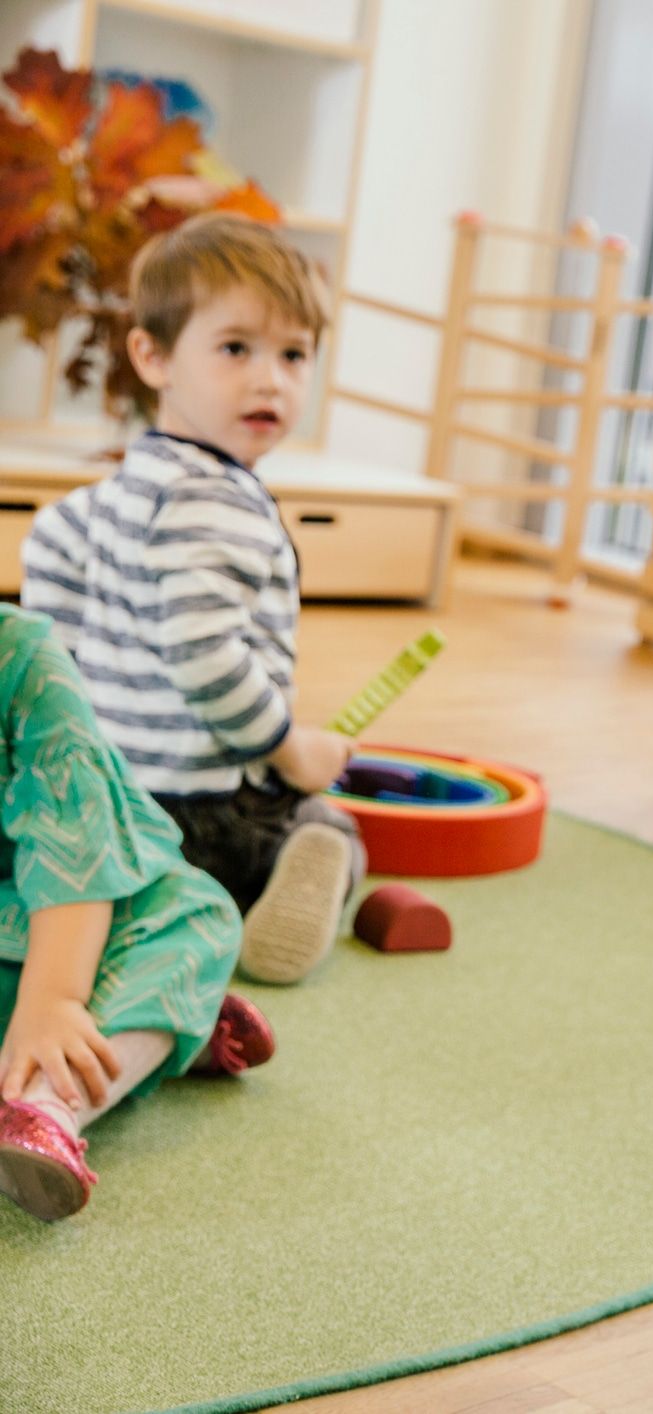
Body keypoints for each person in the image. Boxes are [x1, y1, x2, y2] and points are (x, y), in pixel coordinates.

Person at [23, 214, 366, 987]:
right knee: (330, 824)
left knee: (117, 875)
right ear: (152, 356)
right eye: (235, 348)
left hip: (109, 805)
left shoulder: (99, 500)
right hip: (207, 808)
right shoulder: (220, 502)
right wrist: (292, 748)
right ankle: (277, 878)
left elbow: (48, 598)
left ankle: (115, 902)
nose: (270, 379)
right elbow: (206, 656)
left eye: (294, 354)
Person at [0, 605, 267, 1222]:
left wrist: (54, 998)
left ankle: (44, 1106)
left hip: (66, 914)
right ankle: (164, 1025)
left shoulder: (24, 658)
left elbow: (75, 842)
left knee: (196, 918)